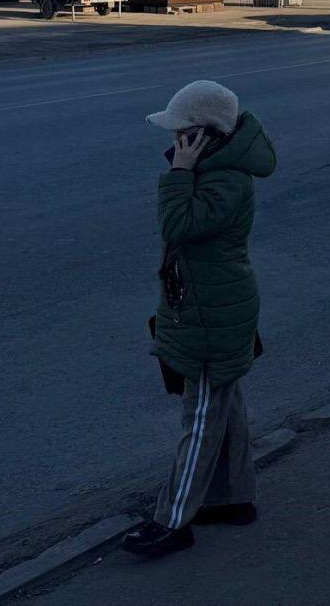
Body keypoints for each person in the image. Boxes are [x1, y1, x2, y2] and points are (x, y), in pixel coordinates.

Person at [120, 81, 278, 559]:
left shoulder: (224, 180)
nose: (174, 140)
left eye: (182, 132)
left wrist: (179, 173)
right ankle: (233, 498)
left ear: (205, 135)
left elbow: (178, 226)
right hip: (211, 305)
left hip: (213, 314)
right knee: (223, 405)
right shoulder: (215, 171)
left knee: (202, 416)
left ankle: (173, 521)